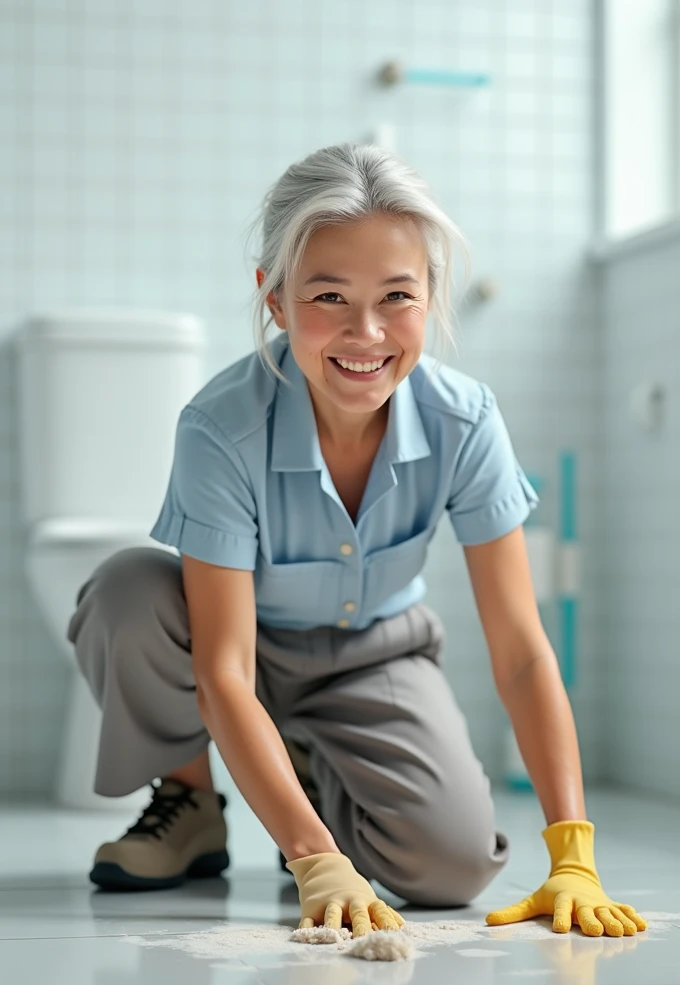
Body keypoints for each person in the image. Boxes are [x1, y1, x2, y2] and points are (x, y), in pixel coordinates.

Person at [67, 142, 647, 941]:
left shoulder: (466, 420)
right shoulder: (220, 428)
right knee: (128, 590)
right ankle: (192, 803)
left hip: (377, 654)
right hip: (241, 653)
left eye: (397, 296)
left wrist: (571, 852)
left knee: (450, 871)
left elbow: (521, 650)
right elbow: (225, 670)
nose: (366, 332)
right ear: (273, 298)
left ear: (431, 295)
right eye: (329, 295)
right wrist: (314, 858)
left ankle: (307, 777)